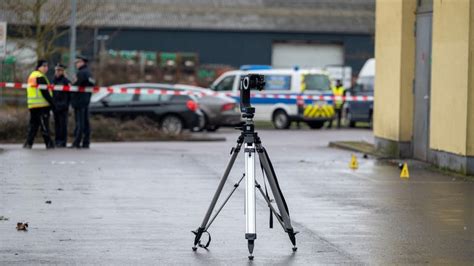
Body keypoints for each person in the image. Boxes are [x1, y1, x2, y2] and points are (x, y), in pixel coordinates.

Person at [23, 60, 55, 149]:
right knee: (44, 126)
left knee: (33, 125)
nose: (46, 68)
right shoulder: (39, 76)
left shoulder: (32, 75)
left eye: (47, 66)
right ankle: (49, 143)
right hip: (42, 105)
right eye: (44, 66)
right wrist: (52, 103)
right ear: (39, 67)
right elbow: (45, 92)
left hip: (33, 105)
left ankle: (28, 143)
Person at [70, 55, 94, 149]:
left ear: (82, 62)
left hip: (79, 100)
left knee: (80, 123)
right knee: (86, 122)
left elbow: (76, 85)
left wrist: (71, 84)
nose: (76, 64)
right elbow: (92, 84)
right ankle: (86, 142)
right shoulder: (89, 73)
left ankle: (77, 142)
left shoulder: (81, 73)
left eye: (78, 62)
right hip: (85, 100)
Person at [52, 63, 71, 148]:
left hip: (63, 106)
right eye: (56, 70)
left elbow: (70, 94)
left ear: (63, 71)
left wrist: (67, 104)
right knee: (56, 125)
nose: (57, 72)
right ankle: (57, 140)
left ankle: (62, 142)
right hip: (55, 106)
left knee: (63, 125)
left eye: (59, 70)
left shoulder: (66, 81)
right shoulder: (54, 80)